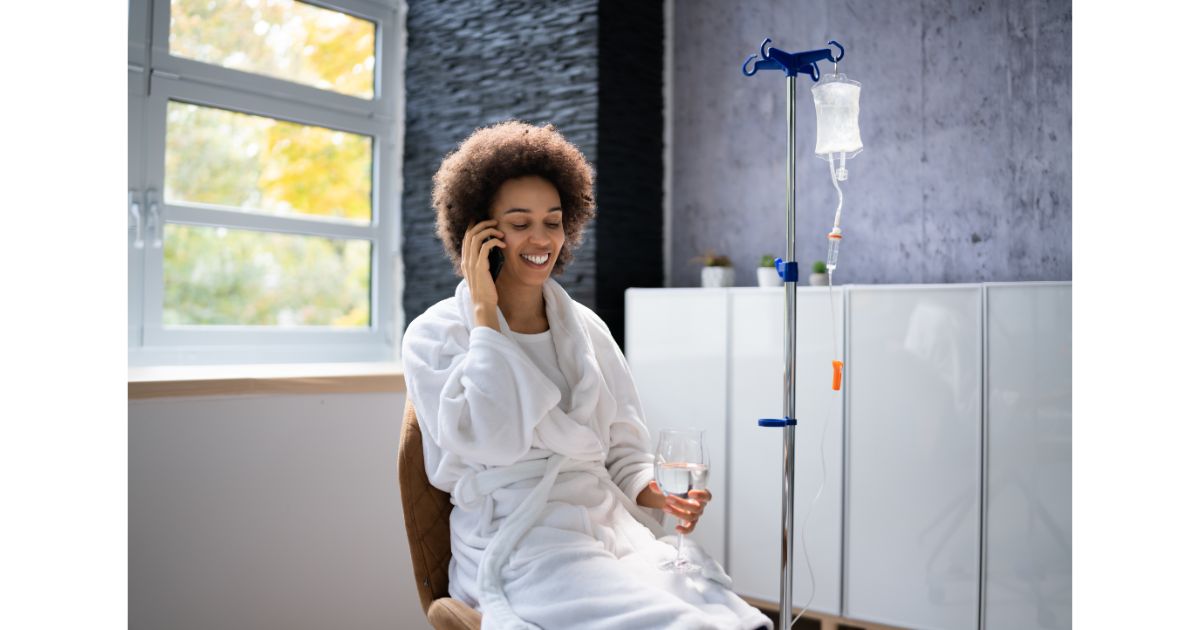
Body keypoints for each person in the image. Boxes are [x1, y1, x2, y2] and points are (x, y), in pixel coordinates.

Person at [401, 121, 771, 630]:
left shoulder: (587, 329)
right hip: (519, 540)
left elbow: (623, 451)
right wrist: (485, 317)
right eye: (519, 222)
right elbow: (492, 442)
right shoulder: (436, 335)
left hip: (606, 525)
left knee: (725, 612)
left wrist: (658, 491)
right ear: (478, 233)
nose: (541, 239)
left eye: (553, 222)